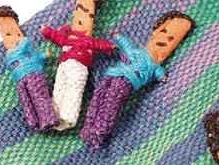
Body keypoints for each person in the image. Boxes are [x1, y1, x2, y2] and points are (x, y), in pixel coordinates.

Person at [80, 11, 193, 148]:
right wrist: (119, 38)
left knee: (111, 102)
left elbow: (159, 72)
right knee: (99, 96)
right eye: (164, 33)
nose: (165, 41)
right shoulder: (137, 52)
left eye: (171, 40)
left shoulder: (153, 66)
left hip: (127, 83)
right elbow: (127, 46)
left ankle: (98, 132)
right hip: (113, 74)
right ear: (156, 32)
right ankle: (88, 127)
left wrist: (162, 76)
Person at [41, 0, 116, 130]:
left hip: (79, 67)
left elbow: (99, 44)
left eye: (88, 16)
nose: (81, 19)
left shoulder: (88, 40)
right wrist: (46, 31)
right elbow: (56, 37)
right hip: (64, 65)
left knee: (74, 90)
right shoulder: (68, 35)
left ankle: (67, 117)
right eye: (79, 11)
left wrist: (111, 46)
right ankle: (52, 117)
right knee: (59, 87)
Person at [0, 5, 58, 131]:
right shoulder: (14, 52)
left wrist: (44, 55)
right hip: (27, 76)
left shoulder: (23, 51)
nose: (16, 38)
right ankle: (34, 121)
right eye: (8, 34)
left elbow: (35, 57)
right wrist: (25, 41)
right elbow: (20, 52)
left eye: (18, 33)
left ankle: (47, 120)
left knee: (38, 96)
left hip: (33, 74)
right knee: (28, 100)